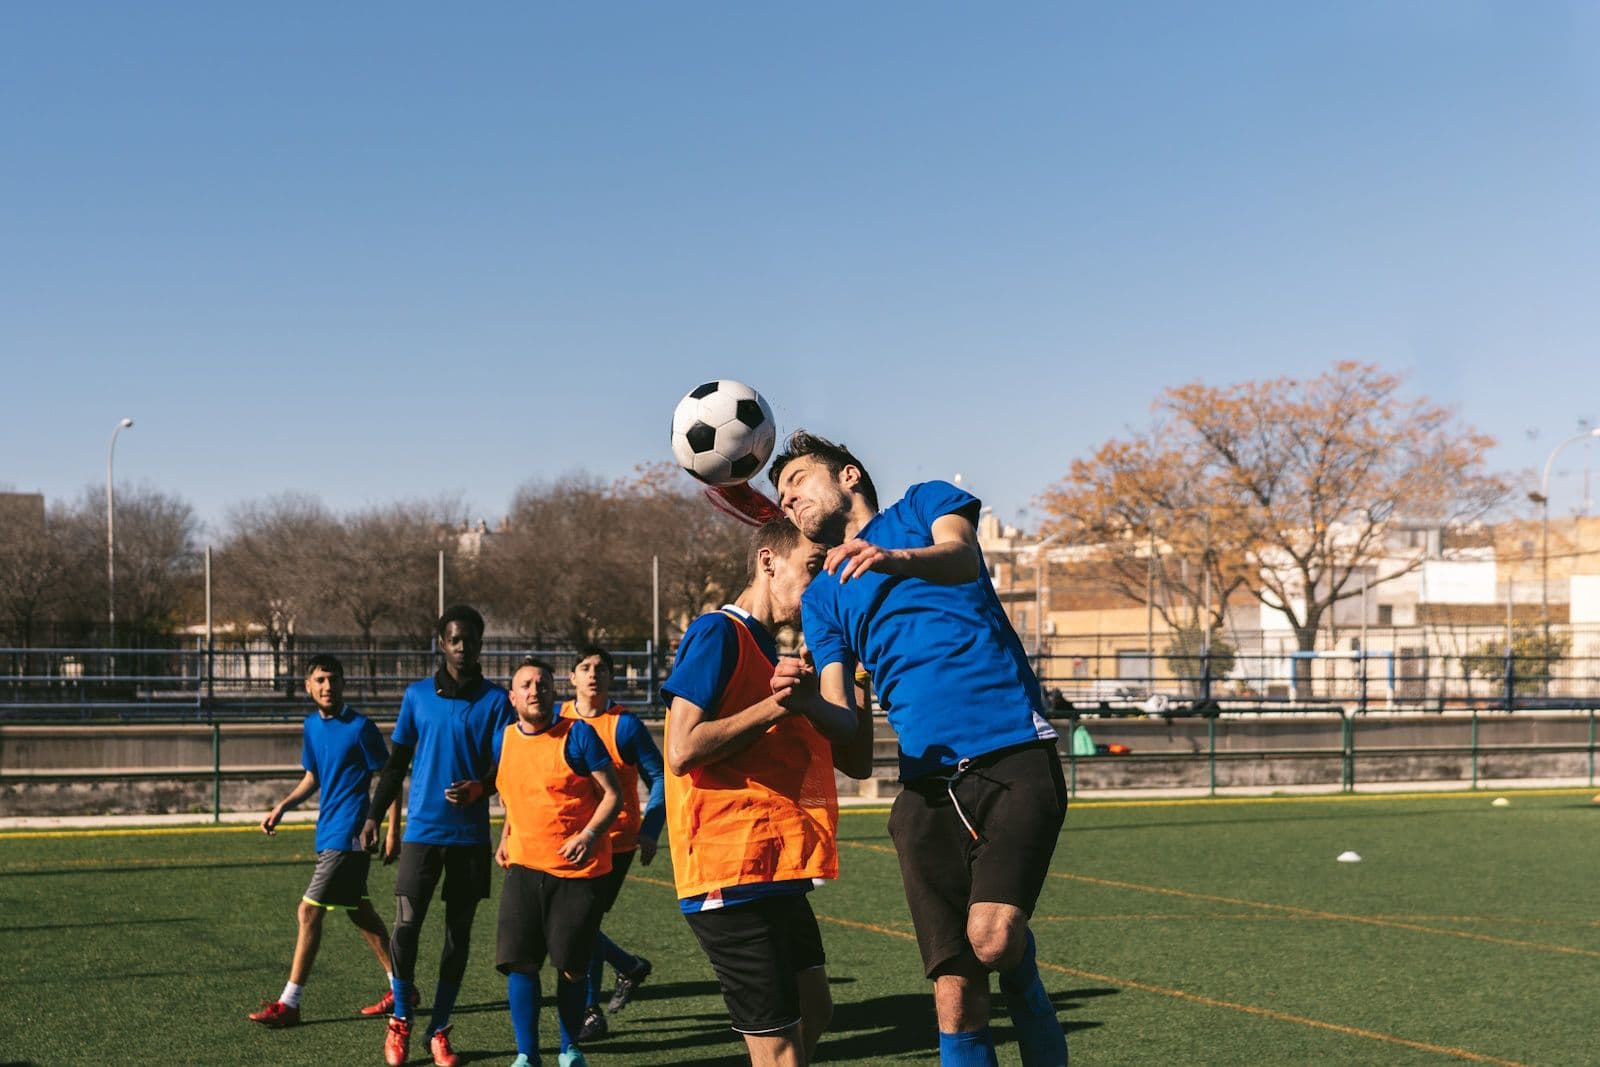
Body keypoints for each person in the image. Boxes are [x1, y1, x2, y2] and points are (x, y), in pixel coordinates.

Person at [770, 432, 1069, 1067]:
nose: (787, 500)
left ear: (848, 475)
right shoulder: (821, 597)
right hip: (927, 788)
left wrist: (891, 559)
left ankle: (1022, 972)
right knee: (955, 994)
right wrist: (799, 704)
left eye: (796, 480)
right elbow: (841, 715)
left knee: (992, 943)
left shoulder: (924, 504)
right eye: (780, 496)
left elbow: (961, 557)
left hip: (1014, 752)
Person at [661, 517, 871, 1067]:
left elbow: (856, 758)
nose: (818, 584)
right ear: (767, 560)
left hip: (776, 870)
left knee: (816, 1011)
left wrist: (856, 679)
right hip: (729, 872)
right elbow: (681, 748)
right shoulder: (717, 633)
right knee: (779, 1052)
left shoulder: (778, 655)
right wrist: (778, 706)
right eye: (811, 567)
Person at [361, 604, 514, 1067]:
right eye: (454, 638)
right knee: (406, 929)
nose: (462, 646)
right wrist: (372, 816)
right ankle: (402, 1019)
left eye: (470, 638)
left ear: (480, 644)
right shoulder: (416, 697)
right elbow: (396, 764)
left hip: (469, 839)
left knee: (458, 936)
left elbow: (504, 767)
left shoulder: (495, 702)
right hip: (422, 835)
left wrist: (480, 788)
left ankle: (440, 1027)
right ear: (441, 643)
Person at [248, 654, 403, 1027]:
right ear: (308, 686)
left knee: (308, 911)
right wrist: (282, 806)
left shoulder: (361, 727)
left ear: (344, 682)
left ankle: (290, 1002)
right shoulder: (312, 727)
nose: (327, 686)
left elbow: (390, 778)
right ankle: (401, 988)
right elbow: (312, 777)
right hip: (328, 830)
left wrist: (392, 828)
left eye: (333, 679)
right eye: (320, 680)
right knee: (359, 911)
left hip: (349, 833)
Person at [495, 657, 624, 1067]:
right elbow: (512, 794)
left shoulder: (579, 735)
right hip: (523, 868)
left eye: (543, 684)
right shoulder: (505, 739)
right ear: (513, 697)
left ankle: (570, 1049)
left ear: (555, 692)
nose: (536, 690)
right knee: (520, 961)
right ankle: (526, 1055)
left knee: (570, 968)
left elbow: (613, 795)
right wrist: (505, 837)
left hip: (577, 875)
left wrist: (588, 835)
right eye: (527, 685)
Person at [558, 646, 666, 1042]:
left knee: (583, 924)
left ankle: (589, 1013)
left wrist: (651, 830)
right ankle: (629, 966)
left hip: (613, 842)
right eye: (584, 668)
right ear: (571, 678)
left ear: (611, 678)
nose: (592, 674)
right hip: (565, 841)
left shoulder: (624, 726)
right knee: (569, 922)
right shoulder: (559, 721)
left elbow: (661, 779)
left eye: (600, 668)